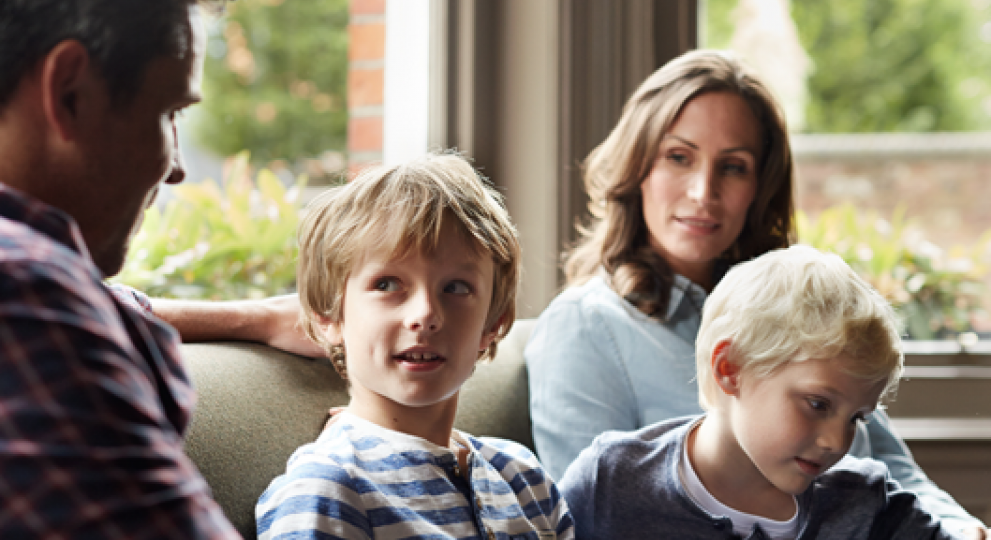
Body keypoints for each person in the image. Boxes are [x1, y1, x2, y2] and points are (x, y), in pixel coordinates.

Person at [524, 49, 988, 537]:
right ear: (638, 168)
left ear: (760, 188)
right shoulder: (585, 327)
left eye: (734, 167)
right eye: (678, 157)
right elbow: (586, 519)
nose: (704, 191)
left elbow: (896, 471)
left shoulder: (806, 316)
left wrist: (960, 529)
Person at [0, 1, 244, 537]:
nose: (177, 168)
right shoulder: (25, 291)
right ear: (70, 93)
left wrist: (256, 318)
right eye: (168, 112)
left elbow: (112, 300)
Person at [254, 154, 574, 540]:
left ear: (494, 324)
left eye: (455, 287)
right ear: (328, 317)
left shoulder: (524, 478)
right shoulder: (327, 489)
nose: (425, 314)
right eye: (387, 284)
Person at [559, 245, 964, 540]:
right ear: (730, 369)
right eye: (818, 404)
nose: (838, 442)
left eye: (857, 417)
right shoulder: (608, 483)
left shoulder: (868, 504)